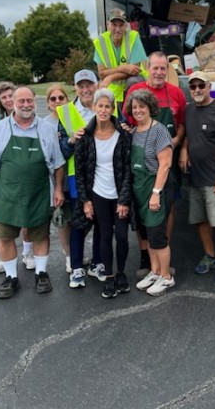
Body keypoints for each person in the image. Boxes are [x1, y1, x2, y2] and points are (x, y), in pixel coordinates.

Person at [0, 86, 65, 299]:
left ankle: (41, 273)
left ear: (34, 101)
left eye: (29, 100)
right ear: (13, 103)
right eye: (21, 101)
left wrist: (59, 189)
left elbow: (58, 164)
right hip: (7, 195)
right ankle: (11, 277)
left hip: (39, 194)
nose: (26, 105)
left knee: (40, 235)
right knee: (5, 237)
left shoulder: (46, 129)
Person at [124, 51, 186, 278]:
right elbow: (127, 122)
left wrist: (178, 144)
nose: (159, 72)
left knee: (166, 209)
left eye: (163, 68)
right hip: (141, 163)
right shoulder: (135, 91)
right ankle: (148, 259)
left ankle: (162, 256)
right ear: (147, 69)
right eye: (155, 68)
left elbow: (181, 125)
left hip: (164, 162)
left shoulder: (177, 93)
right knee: (143, 214)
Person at [73, 89, 132, 298]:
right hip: (98, 194)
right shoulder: (85, 136)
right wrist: (86, 201)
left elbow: (127, 170)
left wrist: (124, 199)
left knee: (122, 236)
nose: (104, 110)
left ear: (112, 109)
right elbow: (80, 173)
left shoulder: (123, 135)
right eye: (100, 106)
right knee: (105, 235)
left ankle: (122, 273)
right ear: (94, 108)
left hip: (119, 194)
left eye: (108, 106)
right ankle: (108, 276)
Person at [179, 71, 215, 284]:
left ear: (209, 87)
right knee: (200, 221)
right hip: (195, 178)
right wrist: (184, 149)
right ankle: (211, 257)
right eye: (193, 87)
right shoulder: (188, 110)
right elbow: (187, 134)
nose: (197, 90)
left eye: (200, 86)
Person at [55, 69, 105, 287]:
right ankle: (76, 267)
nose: (86, 89)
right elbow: (60, 151)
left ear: (96, 85)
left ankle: (97, 263)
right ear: (75, 88)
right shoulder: (65, 112)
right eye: (81, 85)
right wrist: (71, 141)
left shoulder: (105, 107)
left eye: (89, 84)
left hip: (104, 175)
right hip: (77, 176)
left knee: (102, 221)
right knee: (79, 223)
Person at [126, 89, 176, 296]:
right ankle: (155, 271)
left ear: (150, 108)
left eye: (142, 107)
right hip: (139, 191)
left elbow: (165, 165)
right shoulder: (135, 132)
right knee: (147, 235)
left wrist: (156, 193)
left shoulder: (159, 131)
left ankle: (166, 276)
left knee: (158, 237)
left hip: (155, 190)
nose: (138, 110)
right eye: (135, 107)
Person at [0, 82, 36, 274]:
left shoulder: (30, 118)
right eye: (4, 97)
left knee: (27, 218)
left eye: (10, 95)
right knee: (5, 220)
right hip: (4, 176)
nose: (7, 100)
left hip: (26, 178)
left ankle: (28, 253)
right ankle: (6, 258)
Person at [93, 8, 148, 113]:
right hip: (112, 86)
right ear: (107, 24)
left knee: (133, 81)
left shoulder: (133, 37)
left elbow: (134, 71)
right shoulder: (100, 42)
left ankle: (133, 113)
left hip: (133, 81)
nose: (117, 29)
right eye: (114, 25)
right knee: (97, 89)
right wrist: (122, 68)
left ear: (126, 26)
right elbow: (101, 73)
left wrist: (110, 77)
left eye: (121, 25)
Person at [44, 84, 72, 272]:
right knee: (61, 218)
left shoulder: (72, 118)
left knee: (77, 216)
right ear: (48, 103)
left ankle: (75, 250)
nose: (57, 101)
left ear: (67, 100)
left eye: (61, 97)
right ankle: (69, 254)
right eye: (53, 99)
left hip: (74, 174)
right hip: (55, 178)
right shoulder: (43, 124)